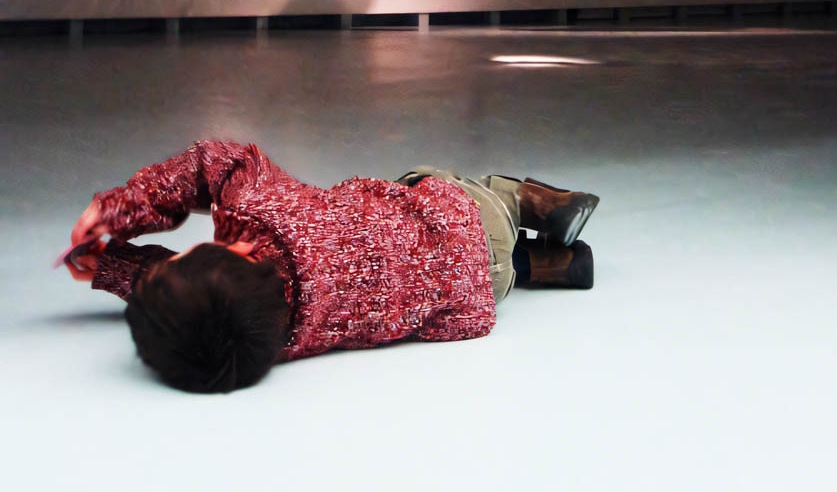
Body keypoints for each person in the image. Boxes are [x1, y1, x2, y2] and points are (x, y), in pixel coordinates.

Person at [64, 139, 599, 393]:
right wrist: (123, 207)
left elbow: (203, 321)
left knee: (453, 272)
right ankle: (535, 204)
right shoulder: (267, 215)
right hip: (467, 218)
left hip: (478, 294)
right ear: (238, 250)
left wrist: (113, 268)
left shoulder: (286, 341)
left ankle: (547, 266)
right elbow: (218, 161)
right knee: (427, 185)